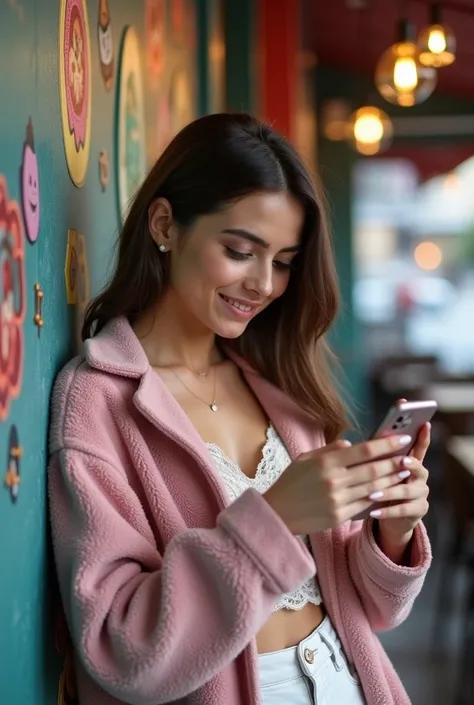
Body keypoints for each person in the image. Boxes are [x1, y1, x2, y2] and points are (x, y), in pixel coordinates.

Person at [48, 113, 432, 705]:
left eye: (282, 262)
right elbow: (119, 646)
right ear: (165, 224)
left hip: (344, 680)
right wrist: (273, 520)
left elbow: (376, 610)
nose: (264, 284)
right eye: (239, 251)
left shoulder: (282, 386)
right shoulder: (98, 401)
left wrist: (392, 531)